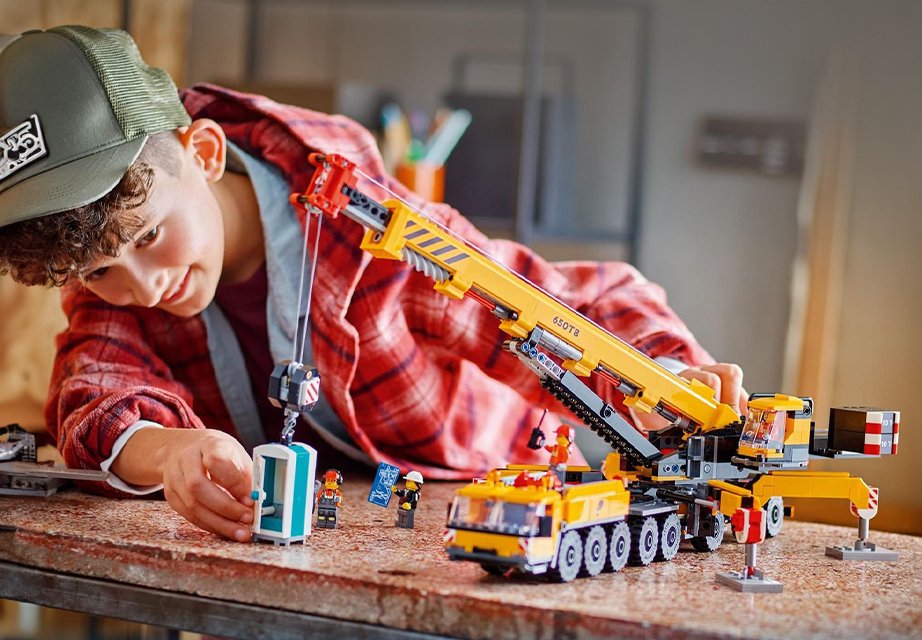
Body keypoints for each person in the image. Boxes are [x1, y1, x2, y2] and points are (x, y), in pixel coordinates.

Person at [0, 26, 746, 543]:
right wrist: (170, 454)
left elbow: (546, 305)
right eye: (97, 272)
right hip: (329, 524)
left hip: (481, 493)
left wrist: (664, 377)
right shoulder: (112, 272)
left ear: (202, 150)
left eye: (150, 237)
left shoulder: (370, 230)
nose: (142, 285)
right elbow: (92, 383)